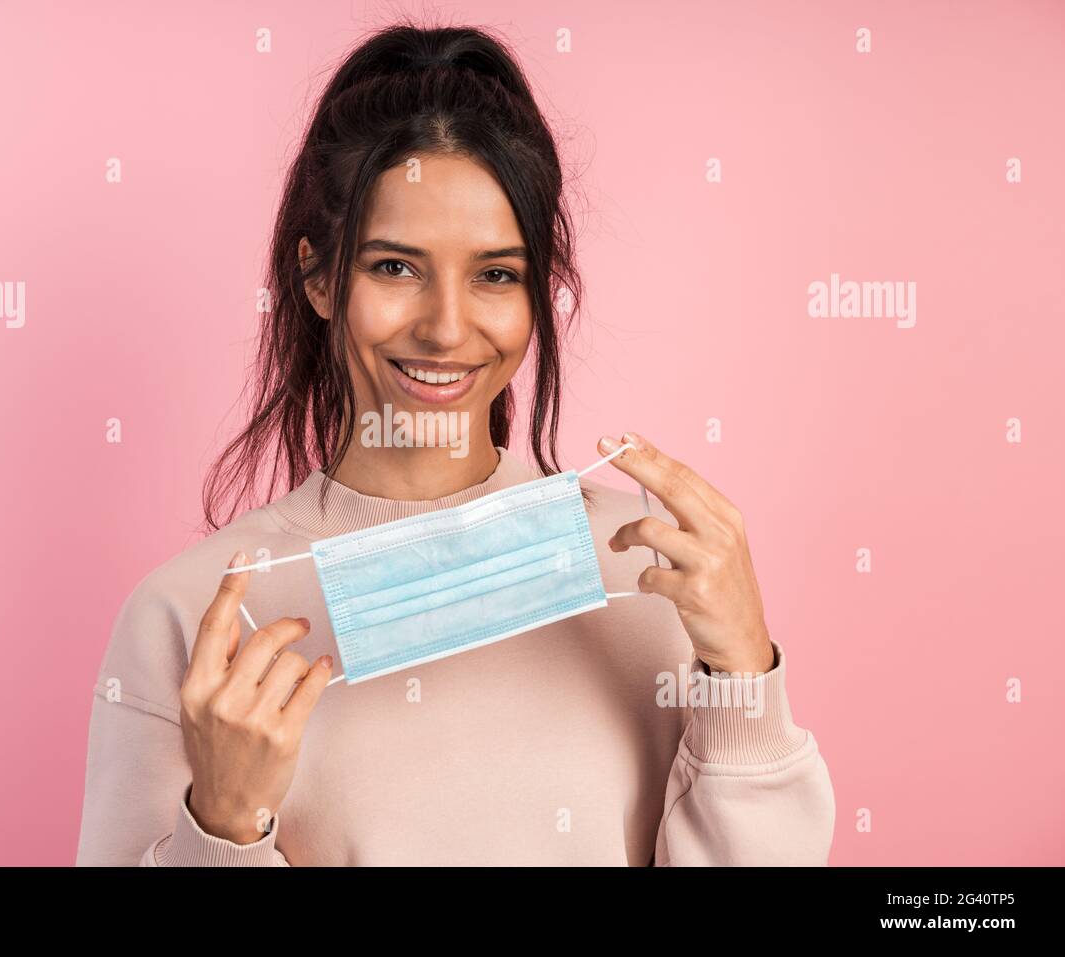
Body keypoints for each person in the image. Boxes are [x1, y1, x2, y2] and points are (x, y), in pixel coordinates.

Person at [74, 21, 835, 866]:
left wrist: (743, 679)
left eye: (495, 274)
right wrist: (221, 825)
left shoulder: (650, 578)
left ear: (541, 292)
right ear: (319, 277)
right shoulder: (186, 620)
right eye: (395, 267)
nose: (444, 328)